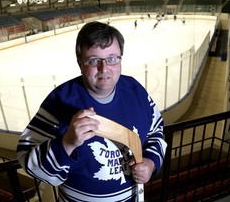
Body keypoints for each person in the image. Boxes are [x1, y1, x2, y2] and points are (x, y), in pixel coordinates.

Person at [17, 21, 167, 201]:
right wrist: (67, 143)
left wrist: (151, 162)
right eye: (93, 60)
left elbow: (156, 131)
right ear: (80, 63)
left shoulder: (136, 91)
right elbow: (26, 158)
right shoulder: (60, 100)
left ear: (120, 59)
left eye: (112, 58)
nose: (104, 69)